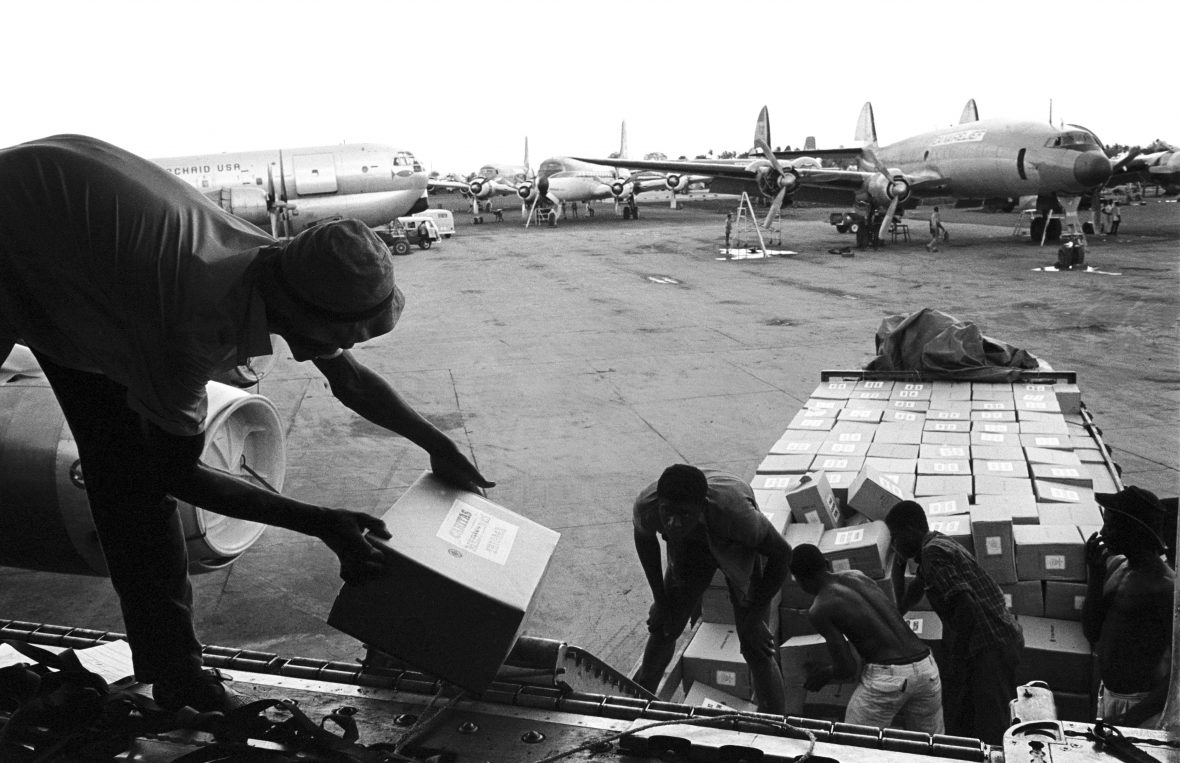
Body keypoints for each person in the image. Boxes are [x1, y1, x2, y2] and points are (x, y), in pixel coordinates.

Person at [0, 135, 494, 713]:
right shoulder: (189, 323)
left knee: (125, 478)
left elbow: (351, 381)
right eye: (339, 337)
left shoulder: (280, 264)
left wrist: (438, 445)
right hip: (25, 242)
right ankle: (178, 673)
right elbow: (177, 475)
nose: (331, 352)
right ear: (301, 313)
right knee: (135, 486)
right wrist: (319, 522)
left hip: (76, 255)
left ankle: (173, 672)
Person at [632, 464, 791, 714]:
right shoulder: (647, 505)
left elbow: (782, 554)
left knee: (755, 645)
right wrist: (661, 601)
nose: (673, 522)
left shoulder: (738, 516)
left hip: (735, 543)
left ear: (702, 505)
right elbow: (644, 540)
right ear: (659, 504)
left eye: (683, 513)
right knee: (665, 625)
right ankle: (637, 706)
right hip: (690, 548)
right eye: (667, 512)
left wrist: (753, 617)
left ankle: (775, 726)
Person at [886, 500, 1023, 745]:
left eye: (896, 537)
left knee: (992, 726)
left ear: (910, 530)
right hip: (999, 637)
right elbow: (919, 585)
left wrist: (956, 663)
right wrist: (898, 610)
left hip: (989, 644)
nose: (894, 544)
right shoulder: (937, 542)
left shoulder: (932, 554)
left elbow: (967, 608)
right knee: (971, 718)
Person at [790, 544, 944, 734]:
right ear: (827, 563)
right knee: (932, 749)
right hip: (927, 667)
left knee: (855, 745)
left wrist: (823, 675)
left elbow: (846, 668)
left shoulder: (820, 608)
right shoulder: (858, 576)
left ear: (800, 581)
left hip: (888, 678)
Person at [1082, 486, 1174, 729]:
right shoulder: (1118, 567)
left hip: (1141, 710)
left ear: (1133, 531)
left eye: (1111, 525)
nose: (1102, 532)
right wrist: (1096, 575)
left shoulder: (1165, 588)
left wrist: (1131, 718)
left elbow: (1178, 673)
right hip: (1110, 697)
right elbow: (1092, 632)